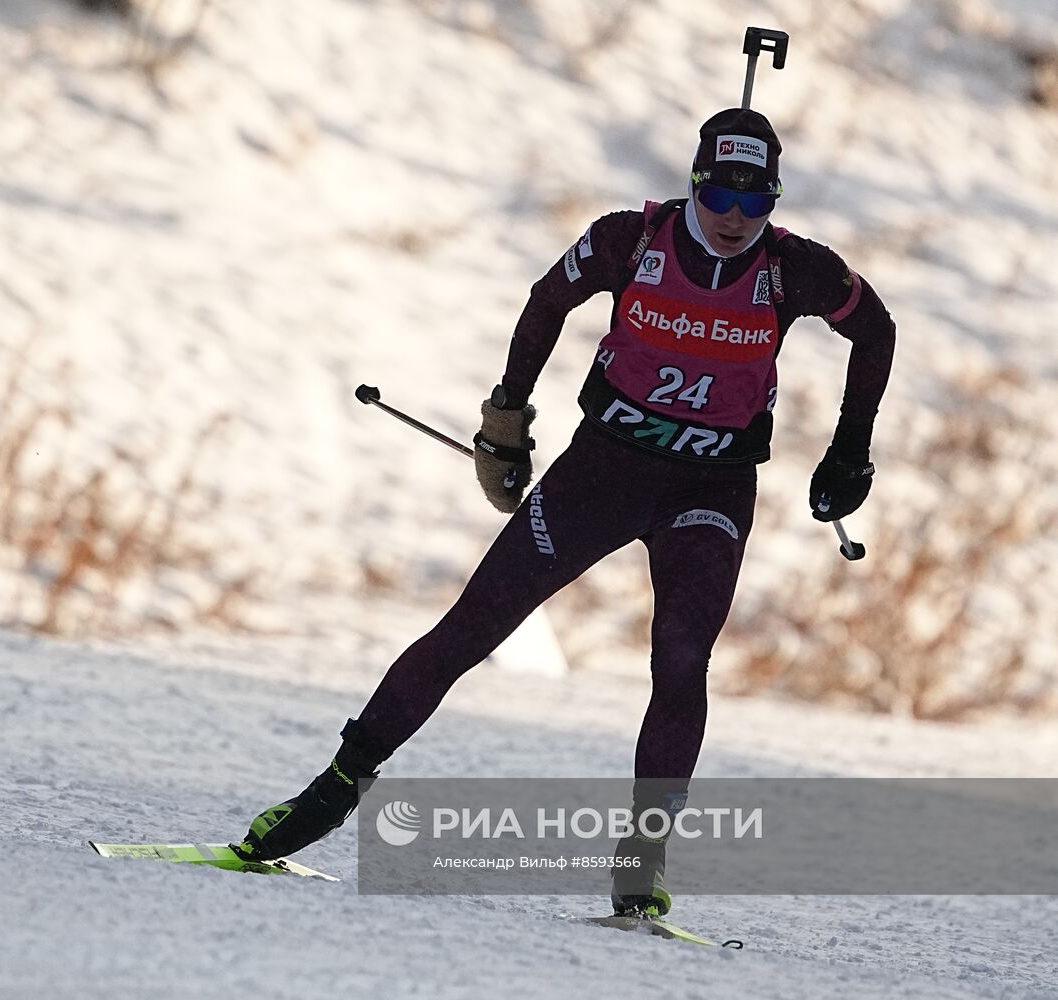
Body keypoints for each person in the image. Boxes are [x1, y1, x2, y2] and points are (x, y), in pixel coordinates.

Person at [233, 108, 896, 917]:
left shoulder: (797, 271)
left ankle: (641, 860)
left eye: (754, 202)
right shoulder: (631, 240)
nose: (733, 217)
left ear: (774, 203)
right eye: (719, 193)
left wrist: (849, 450)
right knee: (474, 625)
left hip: (710, 487)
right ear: (693, 184)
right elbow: (549, 300)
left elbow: (876, 329)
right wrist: (505, 421)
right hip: (602, 471)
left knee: (681, 663)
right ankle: (332, 790)